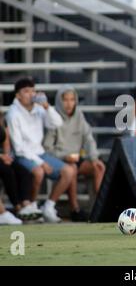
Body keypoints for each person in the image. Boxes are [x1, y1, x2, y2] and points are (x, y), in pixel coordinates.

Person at [6, 78, 75, 223]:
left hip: (39, 153)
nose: (31, 94)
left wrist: (46, 106)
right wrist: (40, 162)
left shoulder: (39, 108)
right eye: (26, 91)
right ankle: (31, 206)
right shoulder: (13, 114)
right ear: (18, 95)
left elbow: (57, 123)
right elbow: (18, 148)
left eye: (33, 91)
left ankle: (49, 206)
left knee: (69, 171)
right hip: (21, 155)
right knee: (38, 171)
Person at [43, 85, 105, 200]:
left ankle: (100, 206)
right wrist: (64, 157)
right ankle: (74, 209)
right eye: (65, 100)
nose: (69, 103)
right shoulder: (53, 118)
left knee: (99, 167)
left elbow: (88, 138)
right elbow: (47, 149)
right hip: (59, 160)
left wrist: (94, 157)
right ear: (59, 101)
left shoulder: (79, 116)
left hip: (77, 158)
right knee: (72, 168)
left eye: (72, 100)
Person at [0, 112, 40, 220]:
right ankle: (17, 208)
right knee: (7, 172)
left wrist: (6, 156)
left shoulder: (1, 118)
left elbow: (5, 140)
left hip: (2, 157)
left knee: (24, 172)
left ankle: (26, 204)